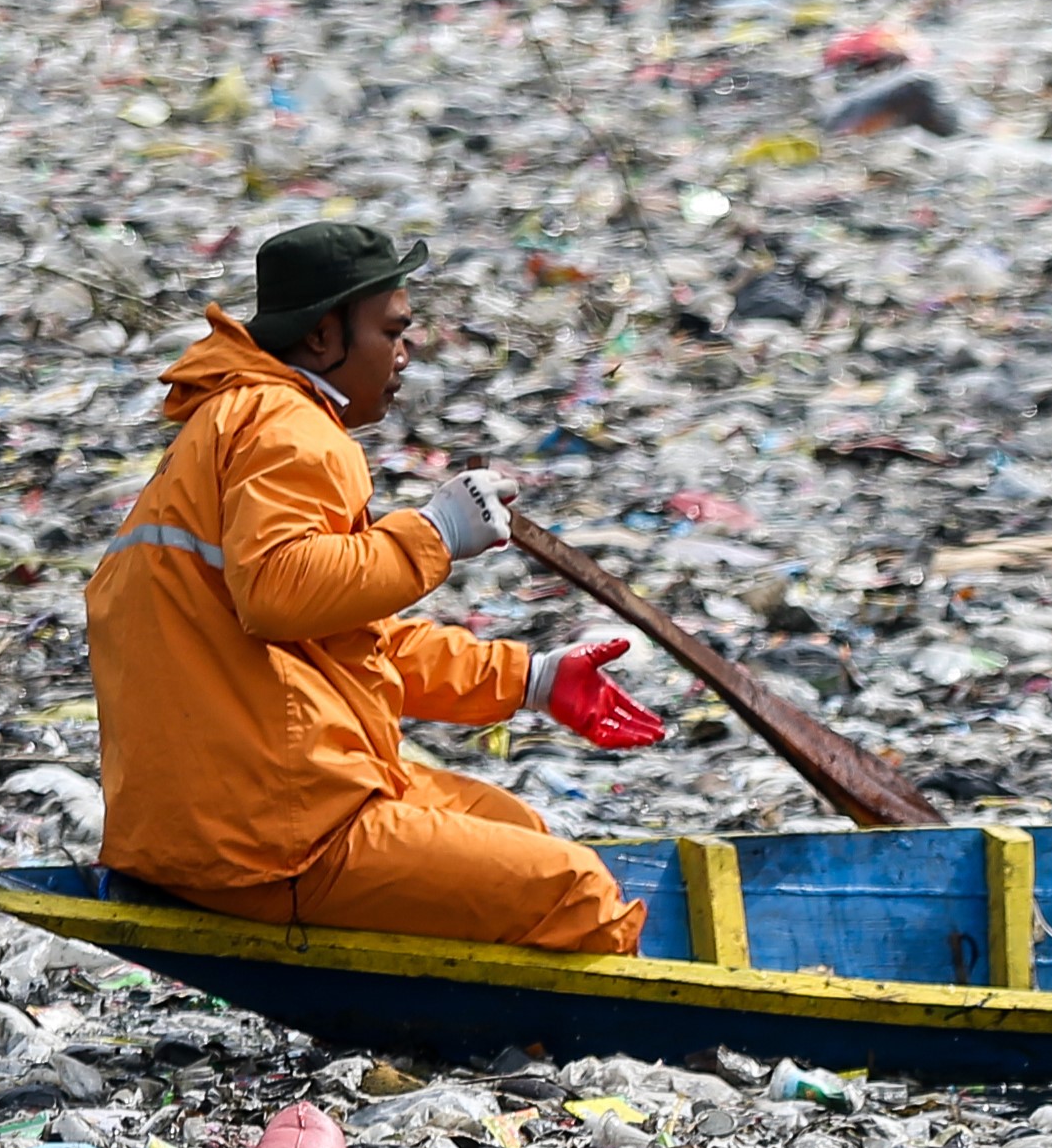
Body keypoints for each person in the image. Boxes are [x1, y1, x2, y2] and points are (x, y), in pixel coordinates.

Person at [86, 221, 674, 952]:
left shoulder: (234, 423)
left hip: (223, 815)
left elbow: (340, 637)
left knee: (518, 828)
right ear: (326, 337)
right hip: (266, 840)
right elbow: (280, 592)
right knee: (576, 891)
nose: (408, 349)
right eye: (392, 330)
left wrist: (531, 679)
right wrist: (433, 534)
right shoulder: (288, 429)